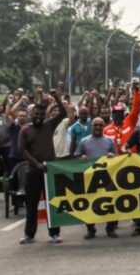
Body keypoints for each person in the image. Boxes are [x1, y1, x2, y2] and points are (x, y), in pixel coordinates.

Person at [20, 93, 68, 244]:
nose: (39, 116)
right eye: (36, 114)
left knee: (51, 204)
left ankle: (54, 233)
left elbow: (63, 113)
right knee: (31, 205)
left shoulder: (49, 125)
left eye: (41, 114)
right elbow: (23, 150)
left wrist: (57, 97)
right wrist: (36, 163)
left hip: (49, 172)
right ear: (31, 114)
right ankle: (29, 234)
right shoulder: (25, 130)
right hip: (33, 173)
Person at [74, 116, 120, 239]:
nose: (98, 127)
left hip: (107, 176)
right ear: (91, 126)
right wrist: (81, 158)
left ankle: (110, 228)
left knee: (110, 202)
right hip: (90, 178)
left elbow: (117, 156)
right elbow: (76, 157)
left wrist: (113, 156)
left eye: (100, 125)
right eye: (96, 125)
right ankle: (90, 229)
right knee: (89, 203)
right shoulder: (84, 141)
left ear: (103, 126)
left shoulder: (109, 140)